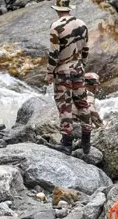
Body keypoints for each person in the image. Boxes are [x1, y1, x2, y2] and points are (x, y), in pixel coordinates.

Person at [45, 0, 92, 155]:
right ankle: (86, 142)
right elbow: (85, 49)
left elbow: (54, 53)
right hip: (78, 68)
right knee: (82, 103)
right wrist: (82, 65)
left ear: (57, 9)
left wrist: (50, 72)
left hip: (63, 71)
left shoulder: (56, 26)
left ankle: (66, 144)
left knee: (65, 106)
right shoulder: (82, 24)